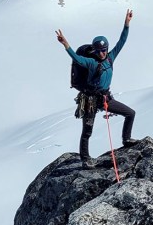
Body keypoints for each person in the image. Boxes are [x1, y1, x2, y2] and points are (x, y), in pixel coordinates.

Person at [55, 9, 138, 167]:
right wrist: (65, 44)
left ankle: (126, 139)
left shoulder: (111, 57)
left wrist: (126, 24)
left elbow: (122, 41)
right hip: (90, 100)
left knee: (130, 114)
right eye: (99, 51)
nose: (102, 53)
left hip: (105, 98)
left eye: (104, 50)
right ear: (95, 51)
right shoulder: (91, 63)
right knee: (87, 131)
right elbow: (77, 58)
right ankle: (85, 159)